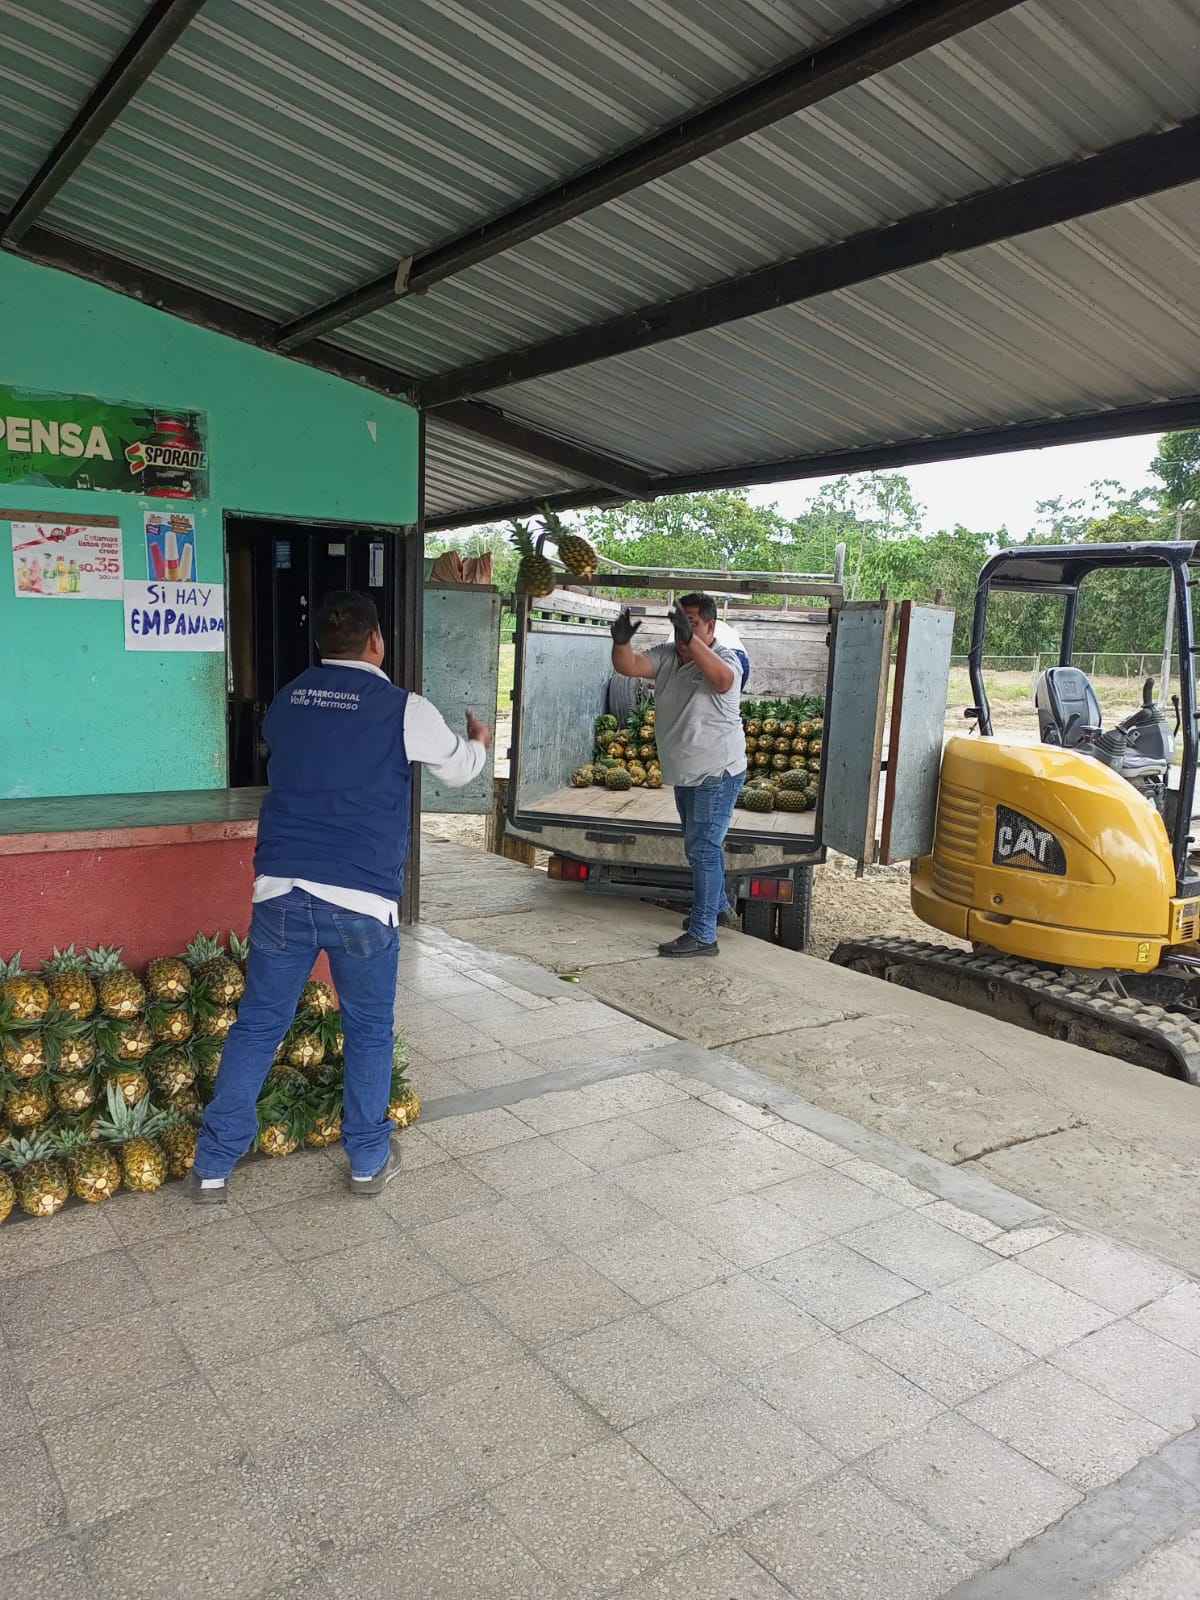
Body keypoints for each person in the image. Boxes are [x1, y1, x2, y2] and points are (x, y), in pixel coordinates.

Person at [188, 590, 491, 1203]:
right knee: (369, 1031)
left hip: (281, 889)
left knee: (258, 1025)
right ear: (376, 641)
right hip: (361, 898)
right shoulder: (404, 709)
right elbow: (460, 770)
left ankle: (213, 1165)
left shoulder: (288, 699)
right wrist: (479, 740)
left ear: (321, 644)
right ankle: (367, 1161)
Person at [611, 592, 745, 957]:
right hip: (686, 773)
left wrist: (690, 641)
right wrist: (621, 642)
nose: (683, 631)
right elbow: (629, 666)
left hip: (716, 773)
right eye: (680, 623)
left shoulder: (726, 659)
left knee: (702, 849)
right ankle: (718, 908)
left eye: (692, 624)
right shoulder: (668, 656)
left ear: (710, 627)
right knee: (703, 846)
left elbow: (722, 680)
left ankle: (704, 935)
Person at [714, 617, 750, 690]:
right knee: (734, 695)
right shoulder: (721, 624)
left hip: (726, 656)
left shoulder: (704, 626)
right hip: (743, 658)